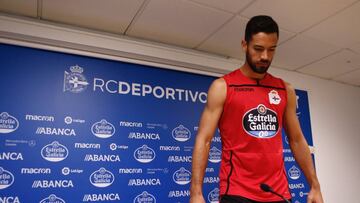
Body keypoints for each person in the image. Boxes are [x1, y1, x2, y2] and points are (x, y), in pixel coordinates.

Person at [189, 15, 324, 203]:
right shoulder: (223, 87)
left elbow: (297, 139)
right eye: (258, 49)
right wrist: (196, 193)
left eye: (271, 50)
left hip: (278, 192)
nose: (265, 57)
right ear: (245, 45)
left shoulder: (285, 89)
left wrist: (315, 185)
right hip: (237, 191)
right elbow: (204, 140)